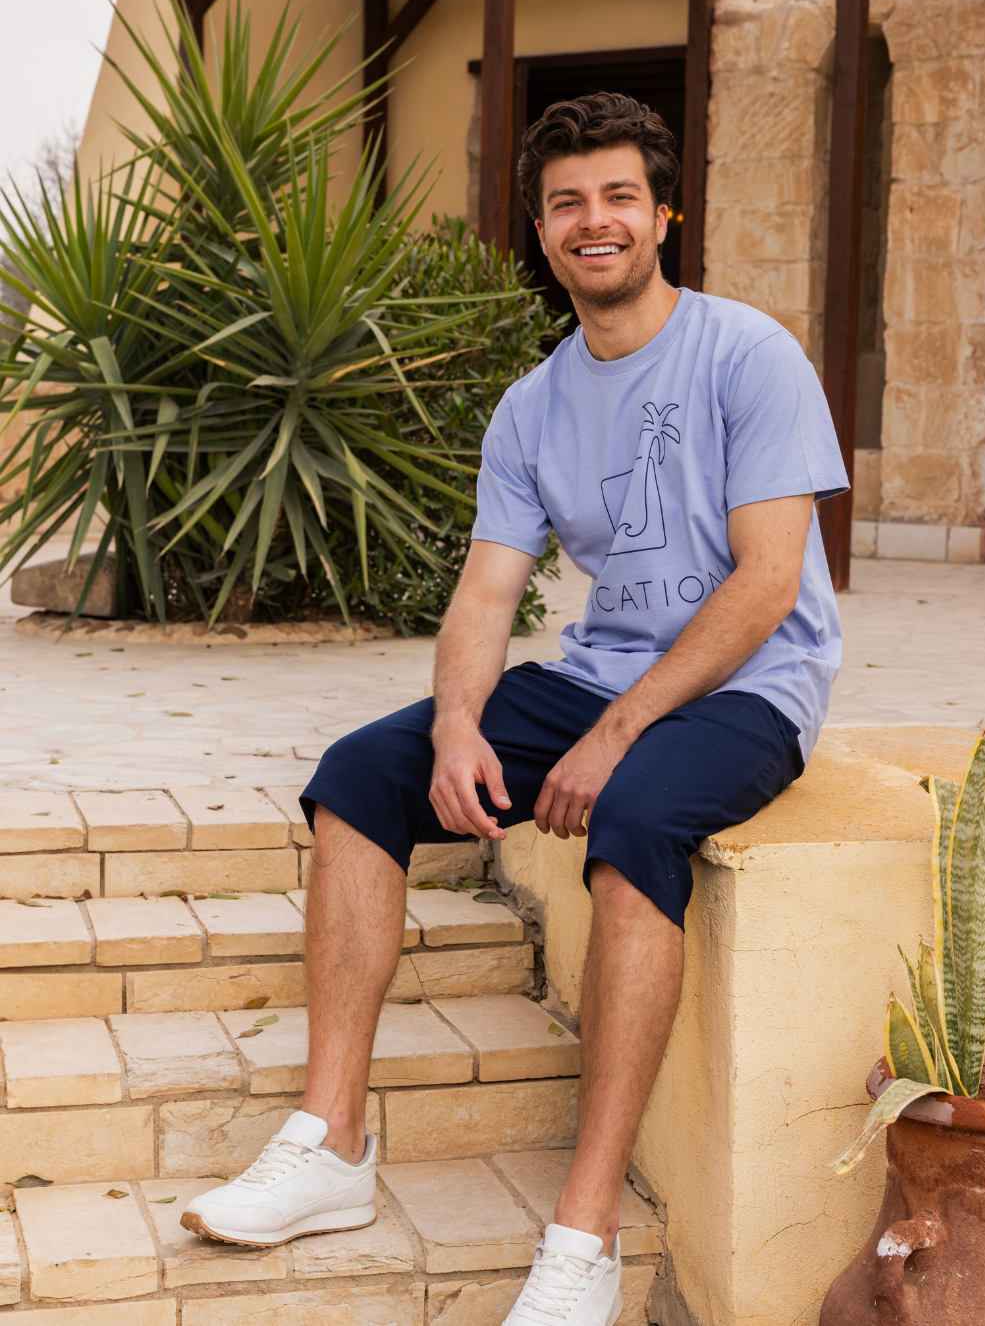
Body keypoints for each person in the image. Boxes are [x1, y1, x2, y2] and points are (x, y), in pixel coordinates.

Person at [180, 91, 848, 1326]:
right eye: (566, 203)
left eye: (619, 196)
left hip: (752, 687)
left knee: (637, 819)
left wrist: (616, 733)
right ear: (541, 231)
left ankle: (583, 1239)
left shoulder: (749, 356)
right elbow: (488, 592)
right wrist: (453, 725)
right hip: (600, 677)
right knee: (358, 775)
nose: (595, 221)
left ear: (664, 214)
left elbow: (766, 589)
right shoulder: (533, 404)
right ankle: (331, 1146)